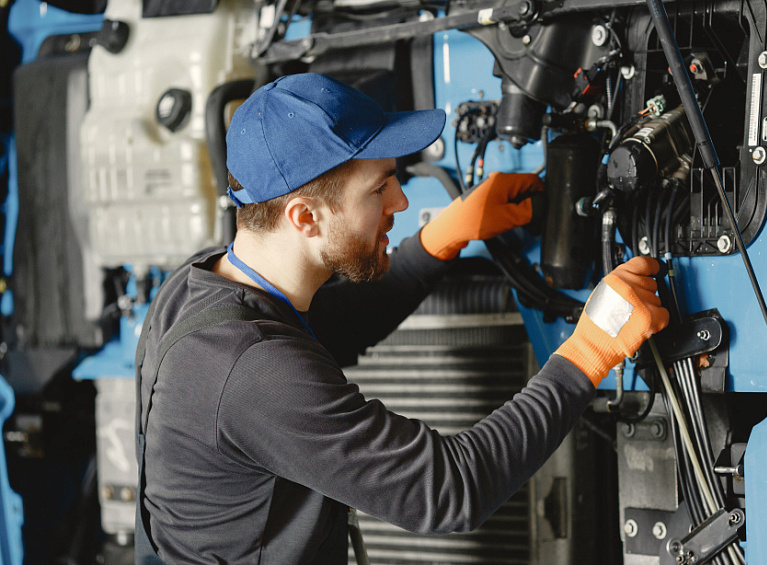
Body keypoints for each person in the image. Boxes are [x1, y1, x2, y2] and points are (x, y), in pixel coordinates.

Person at [134, 72, 669, 564]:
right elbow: (452, 489)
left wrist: (442, 238)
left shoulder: (201, 283)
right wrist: (589, 352)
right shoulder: (251, 371)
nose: (403, 199)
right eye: (379, 188)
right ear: (304, 216)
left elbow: (332, 325)